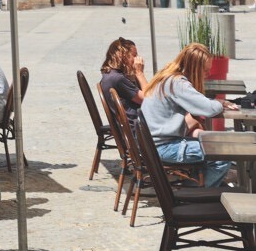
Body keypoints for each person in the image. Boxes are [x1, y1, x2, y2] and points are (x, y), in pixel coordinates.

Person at [139, 42, 235, 186]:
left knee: (210, 142)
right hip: (163, 147)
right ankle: (196, 193)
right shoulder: (178, 83)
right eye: (205, 71)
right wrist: (220, 103)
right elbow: (209, 108)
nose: (208, 75)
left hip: (151, 144)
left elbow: (200, 104)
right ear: (195, 69)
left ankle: (202, 184)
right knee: (224, 153)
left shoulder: (168, 76)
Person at [97, 37, 146, 124]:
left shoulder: (110, 75)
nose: (138, 59)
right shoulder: (118, 79)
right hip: (138, 130)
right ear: (124, 56)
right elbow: (149, 100)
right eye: (134, 55)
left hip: (132, 126)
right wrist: (140, 73)